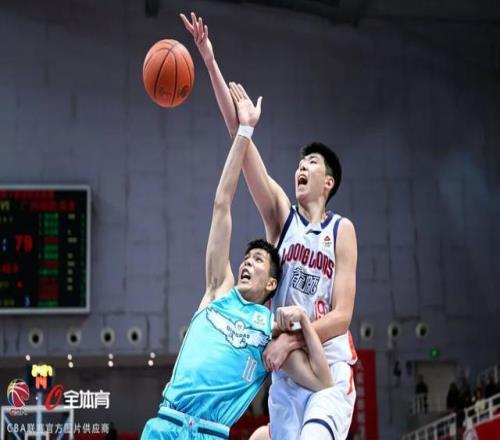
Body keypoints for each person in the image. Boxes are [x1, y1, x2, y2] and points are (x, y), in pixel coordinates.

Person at [181, 13, 358, 440]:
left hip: (326, 360)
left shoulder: (342, 229)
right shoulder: (282, 214)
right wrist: (209, 60)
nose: (301, 167)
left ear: (328, 182)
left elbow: (342, 315)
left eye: (311, 163)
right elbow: (240, 137)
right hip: (286, 371)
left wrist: (293, 339)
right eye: (300, 163)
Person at [141, 84, 334, 440]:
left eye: (258, 260)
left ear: (272, 283)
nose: (246, 263)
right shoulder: (217, 290)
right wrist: (244, 130)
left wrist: (303, 328)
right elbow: (222, 204)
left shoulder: (270, 332)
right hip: (165, 424)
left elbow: (323, 380)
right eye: (246, 258)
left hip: (210, 433)